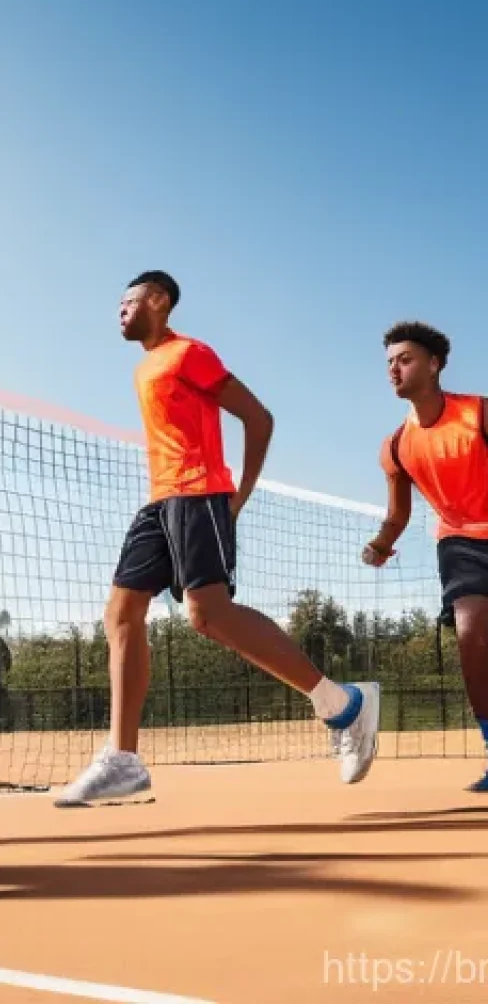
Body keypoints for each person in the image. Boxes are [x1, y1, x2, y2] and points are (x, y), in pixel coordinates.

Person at [56, 270, 380, 806]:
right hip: (160, 502)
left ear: (158, 301)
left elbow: (258, 417)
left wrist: (239, 497)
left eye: (129, 300)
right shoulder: (145, 367)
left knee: (207, 615)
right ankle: (123, 761)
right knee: (121, 613)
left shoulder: (190, 354)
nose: (120, 309)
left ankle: (342, 704)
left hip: (199, 494)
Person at [363, 321, 488, 791]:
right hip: (459, 542)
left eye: (405, 359)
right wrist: (380, 544)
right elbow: (397, 515)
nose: (395, 369)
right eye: (390, 362)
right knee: (471, 633)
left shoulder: (478, 414)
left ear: (434, 364)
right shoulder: (396, 446)